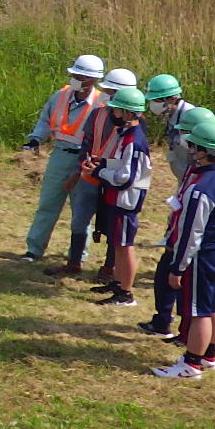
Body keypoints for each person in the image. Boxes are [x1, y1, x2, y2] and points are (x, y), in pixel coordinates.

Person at [153, 121, 215, 379]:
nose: (189, 150)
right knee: (214, 306)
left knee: (197, 311)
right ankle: (209, 356)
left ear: (203, 151)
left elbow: (191, 234)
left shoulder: (200, 189)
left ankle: (191, 364)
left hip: (200, 257)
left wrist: (178, 267)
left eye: (193, 146)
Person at [48, 66, 138, 278]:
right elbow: (86, 144)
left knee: (113, 226)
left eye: (112, 92)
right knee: (79, 219)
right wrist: (78, 174)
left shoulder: (135, 125)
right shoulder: (97, 114)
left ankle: (109, 268)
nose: (107, 96)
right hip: (90, 177)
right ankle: (74, 262)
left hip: (114, 181)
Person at [17, 55, 106, 264]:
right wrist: (35, 139)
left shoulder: (102, 103)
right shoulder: (61, 95)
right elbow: (45, 119)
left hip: (86, 161)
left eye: (80, 76)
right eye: (74, 74)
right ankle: (34, 249)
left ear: (91, 80)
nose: (75, 78)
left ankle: (77, 256)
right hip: (59, 155)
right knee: (48, 204)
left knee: (81, 211)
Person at [89, 86, 151, 306]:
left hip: (125, 202)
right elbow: (123, 166)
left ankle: (126, 293)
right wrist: (104, 163)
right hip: (117, 199)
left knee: (125, 247)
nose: (111, 114)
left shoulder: (133, 141)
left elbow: (126, 178)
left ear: (127, 113)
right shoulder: (126, 135)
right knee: (117, 245)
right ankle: (118, 283)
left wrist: (98, 172)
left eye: (115, 110)